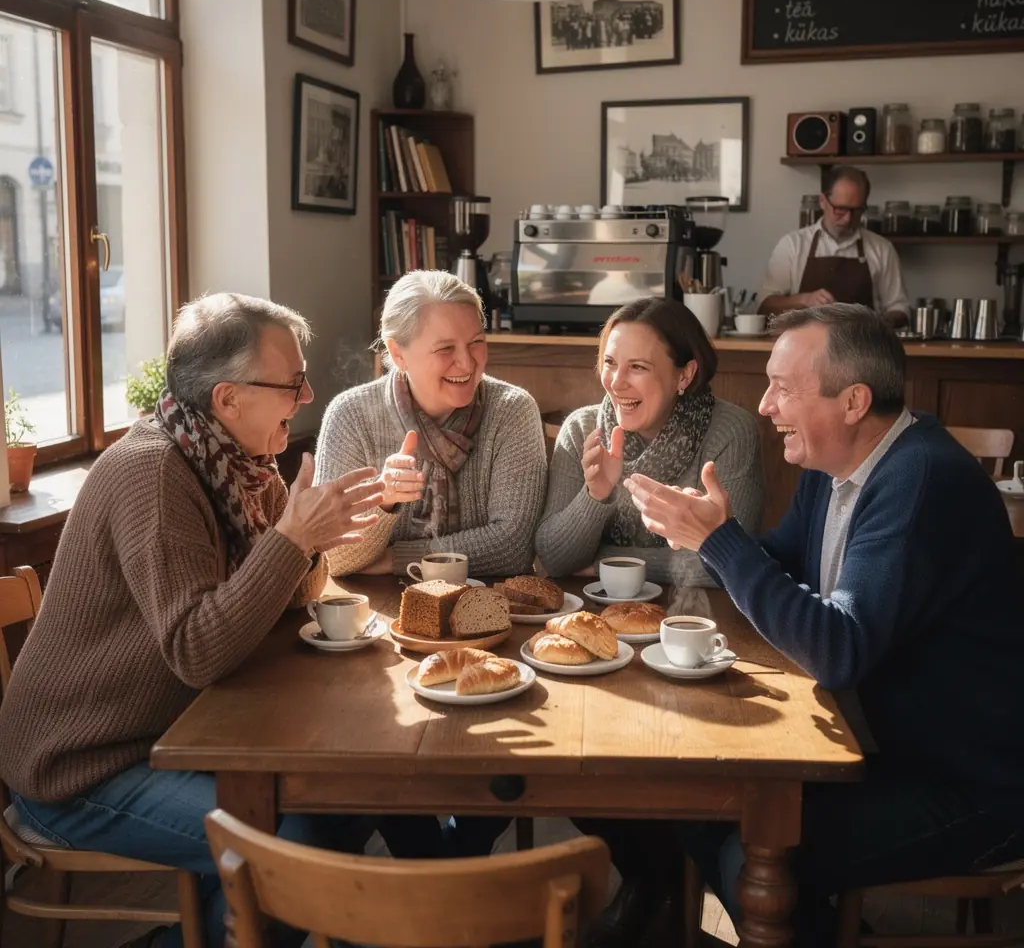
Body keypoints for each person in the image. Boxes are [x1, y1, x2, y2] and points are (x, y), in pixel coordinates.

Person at [0, 293, 394, 948]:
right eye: (292, 382)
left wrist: (310, 540)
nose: (308, 393)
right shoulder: (153, 473)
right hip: (80, 765)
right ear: (228, 400)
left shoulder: (241, 465)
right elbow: (198, 650)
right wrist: (293, 541)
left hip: (174, 734)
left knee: (345, 802)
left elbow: (286, 602)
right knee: (290, 851)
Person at [623, 304, 1024, 947]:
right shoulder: (835, 468)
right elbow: (778, 563)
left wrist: (720, 542)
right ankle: (820, 929)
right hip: (877, 742)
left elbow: (838, 649)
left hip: (970, 784)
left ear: (854, 402)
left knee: (746, 852)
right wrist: (705, 535)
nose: (764, 405)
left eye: (783, 387)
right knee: (695, 805)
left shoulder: (918, 479)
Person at [315, 269, 547, 579]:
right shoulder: (351, 416)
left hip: (489, 609)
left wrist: (396, 559)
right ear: (398, 353)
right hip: (376, 612)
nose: (466, 363)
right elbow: (336, 558)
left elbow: (513, 549)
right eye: (445, 349)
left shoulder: (512, 411)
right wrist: (383, 502)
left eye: (476, 342)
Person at [536, 297, 764, 587]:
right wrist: (595, 496)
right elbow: (553, 560)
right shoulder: (581, 429)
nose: (617, 383)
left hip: (699, 617)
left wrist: (605, 562)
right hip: (593, 614)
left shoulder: (731, 433)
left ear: (684, 374)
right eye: (610, 362)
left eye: (638, 367)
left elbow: (734, 562)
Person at [757, 166, 911, 327]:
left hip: (862, 348)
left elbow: (899, 308)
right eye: (840, 209)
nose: (847, 219)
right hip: (804, 347)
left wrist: (879, 324)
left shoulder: (882, 249)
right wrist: (805, 300)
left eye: (857, 211)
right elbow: (764, 306)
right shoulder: (792, 246)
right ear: (823, 201)